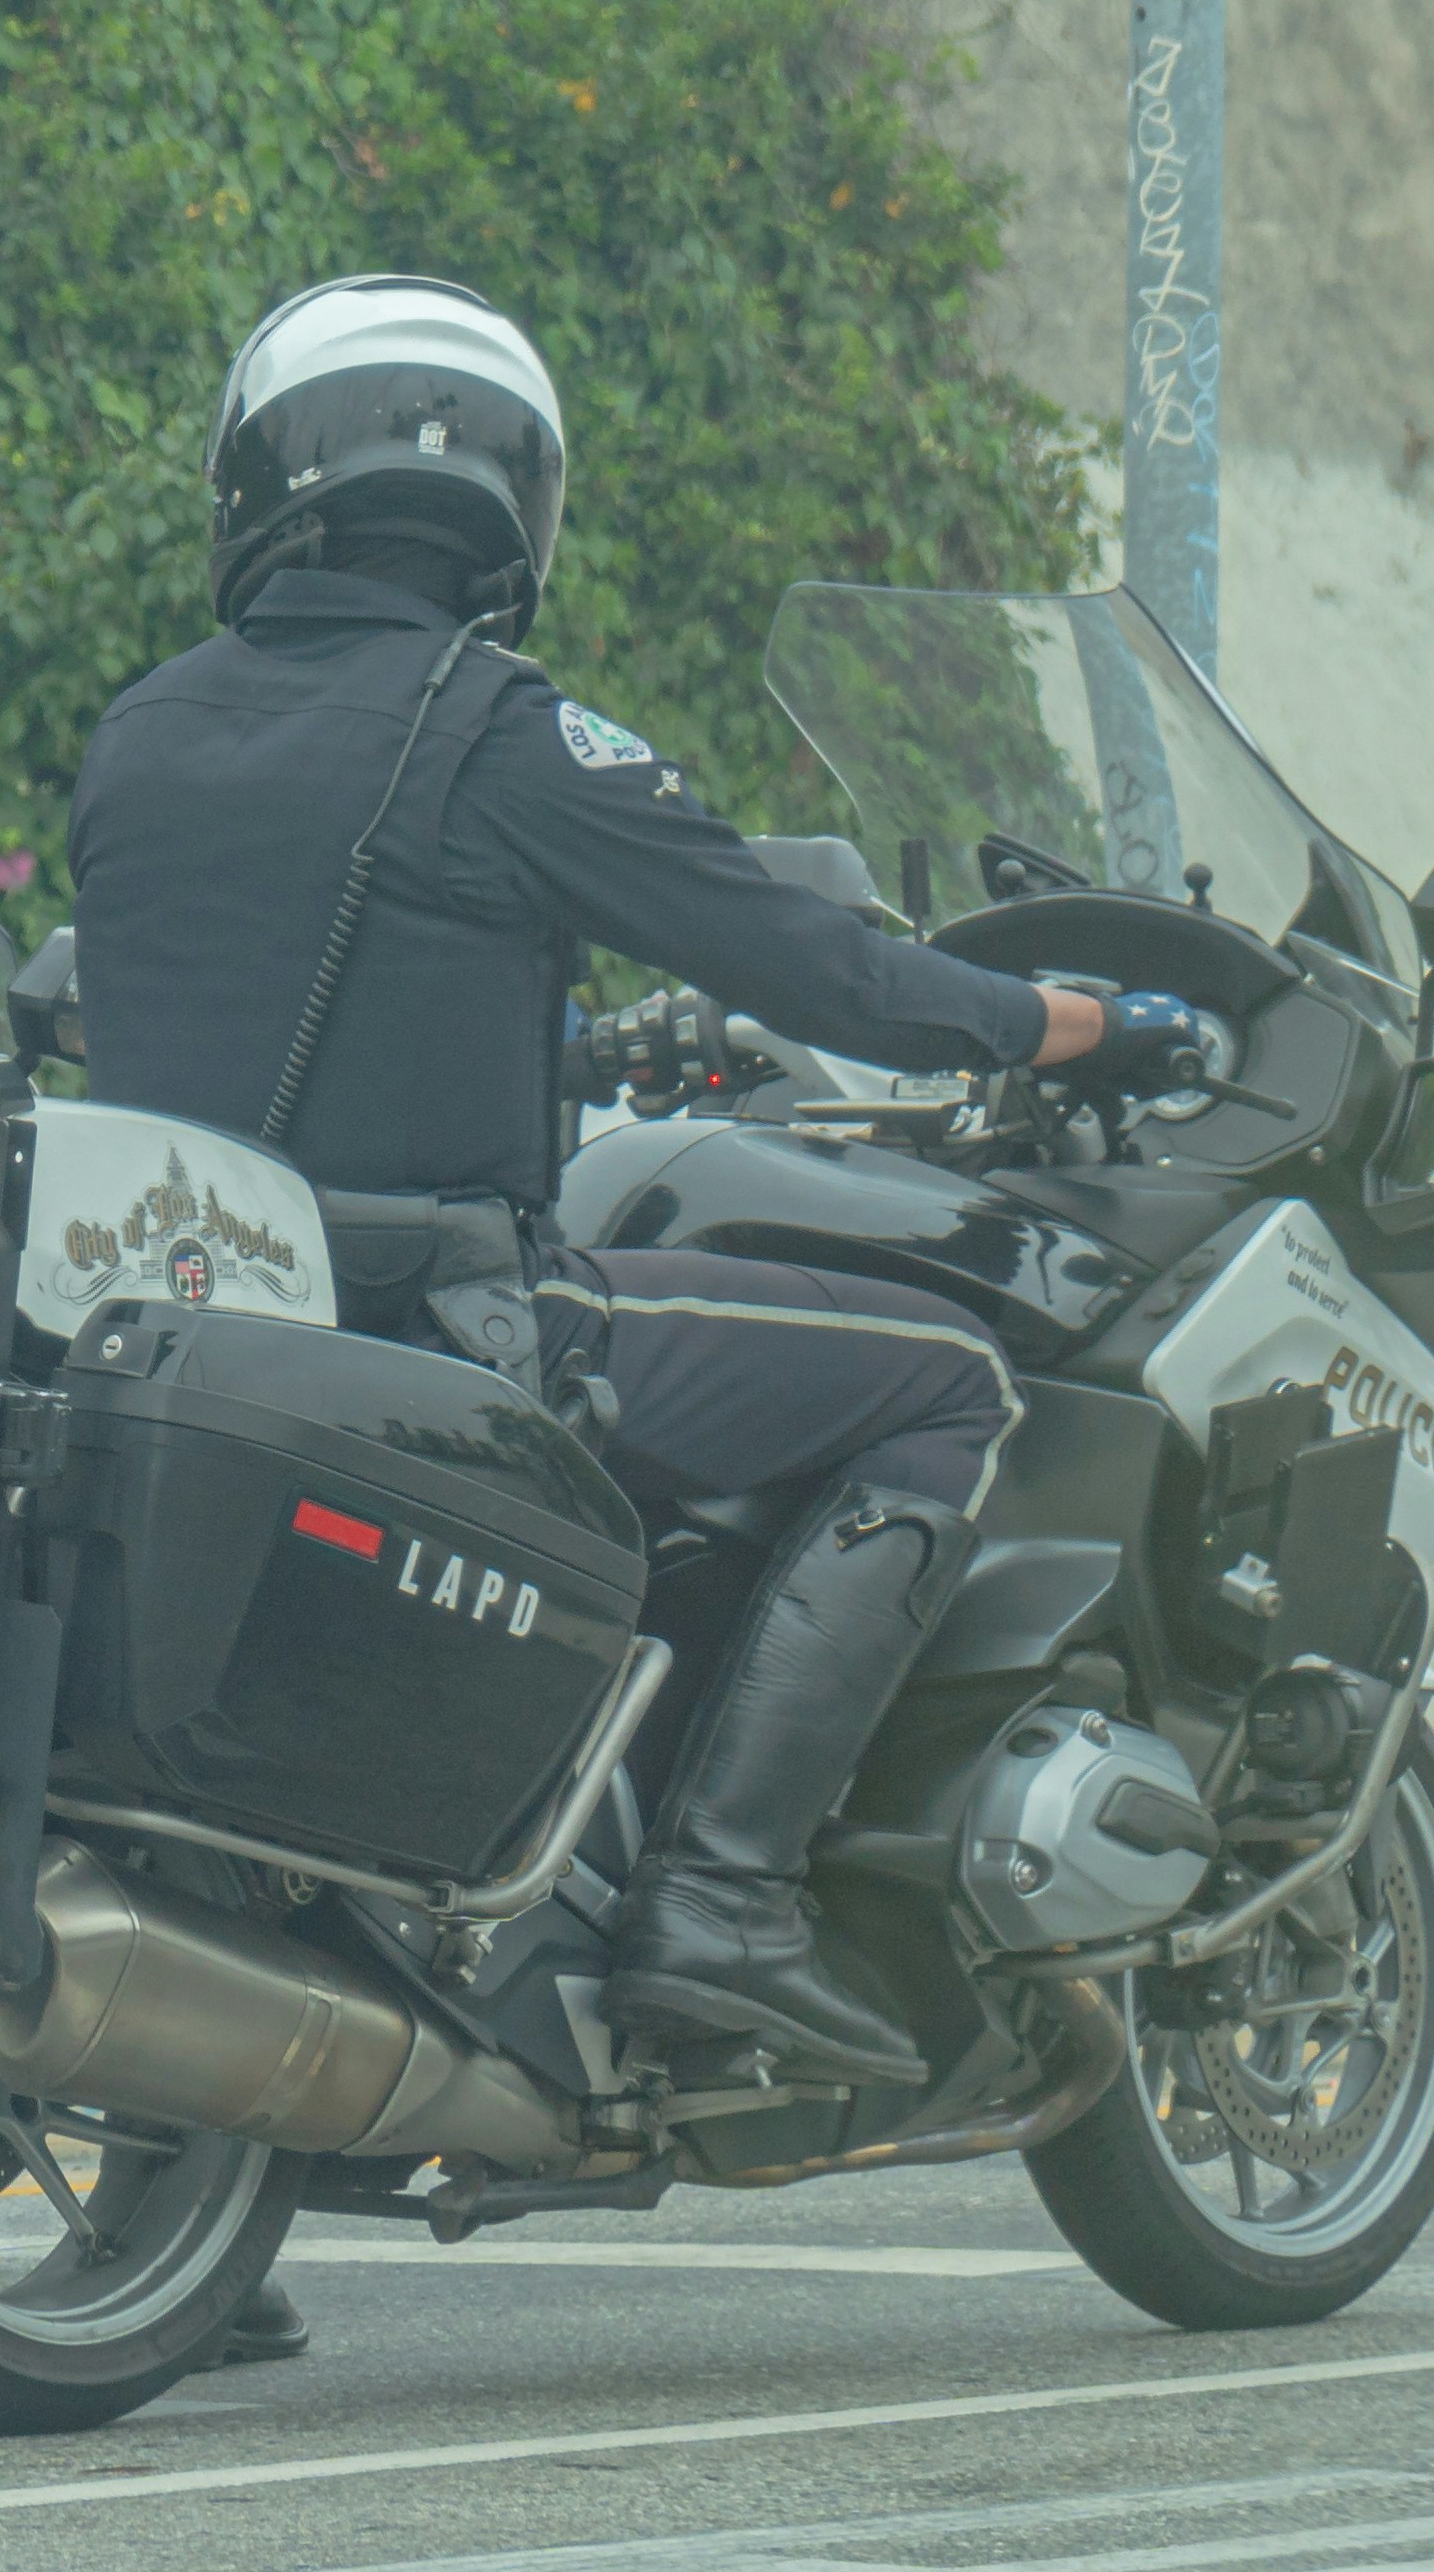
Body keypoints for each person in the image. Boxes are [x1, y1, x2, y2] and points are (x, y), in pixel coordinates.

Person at [64, 280, 1127, 2098]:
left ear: (257, 482)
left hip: (179, 1327)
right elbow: (812, 963)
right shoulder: (496, 730)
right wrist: (1046, 1017)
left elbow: (310, 1012)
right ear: (507, 503)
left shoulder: (140, 733)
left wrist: (568, 1055)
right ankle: (724, 1898)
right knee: (944, 1383)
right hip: (454, 1328)